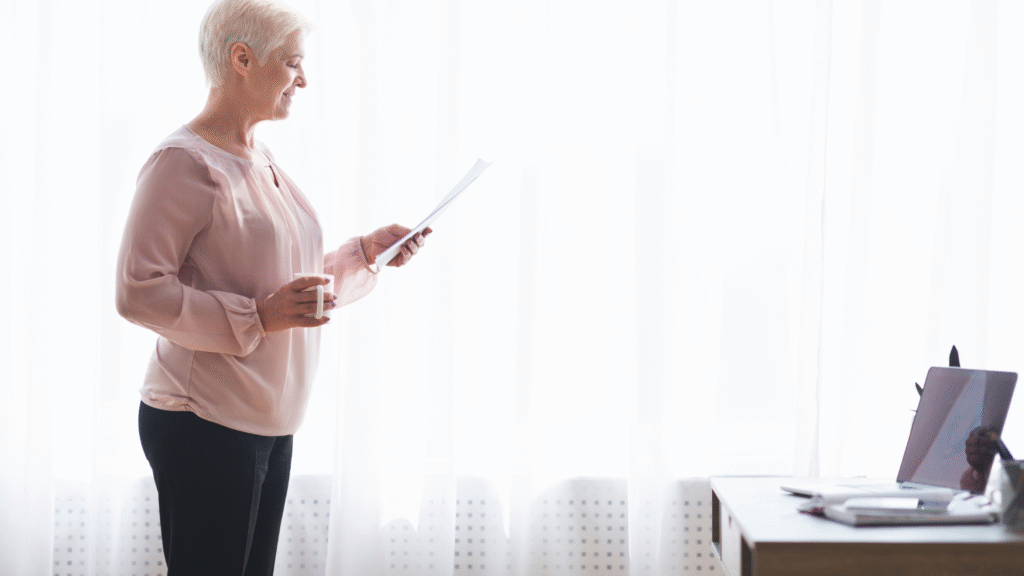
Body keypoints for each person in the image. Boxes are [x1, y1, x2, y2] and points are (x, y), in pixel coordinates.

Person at [114, 1, 429, 573]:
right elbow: (138, 291)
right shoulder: (182, 164)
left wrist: (365, 254)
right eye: (292, 63)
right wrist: (256, 316)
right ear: (242, 59)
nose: (303, 79)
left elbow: (285, 290)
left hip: (268, 421)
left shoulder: (260, 159)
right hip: (202, 421)